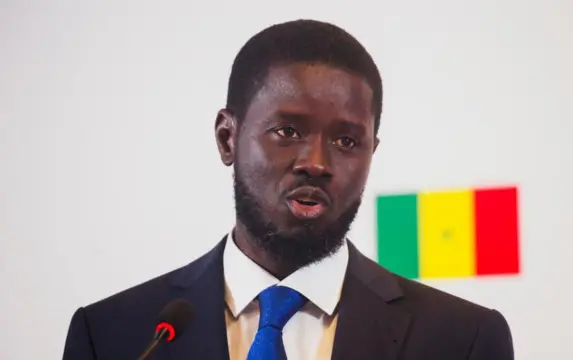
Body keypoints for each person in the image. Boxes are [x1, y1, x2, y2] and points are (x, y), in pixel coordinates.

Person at [62, 19, 514, 360]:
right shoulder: (113, 336)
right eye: (287, 131)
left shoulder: (463, 339)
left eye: (346, 141)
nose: (316, 163)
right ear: (227, 137)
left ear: (372, 152)